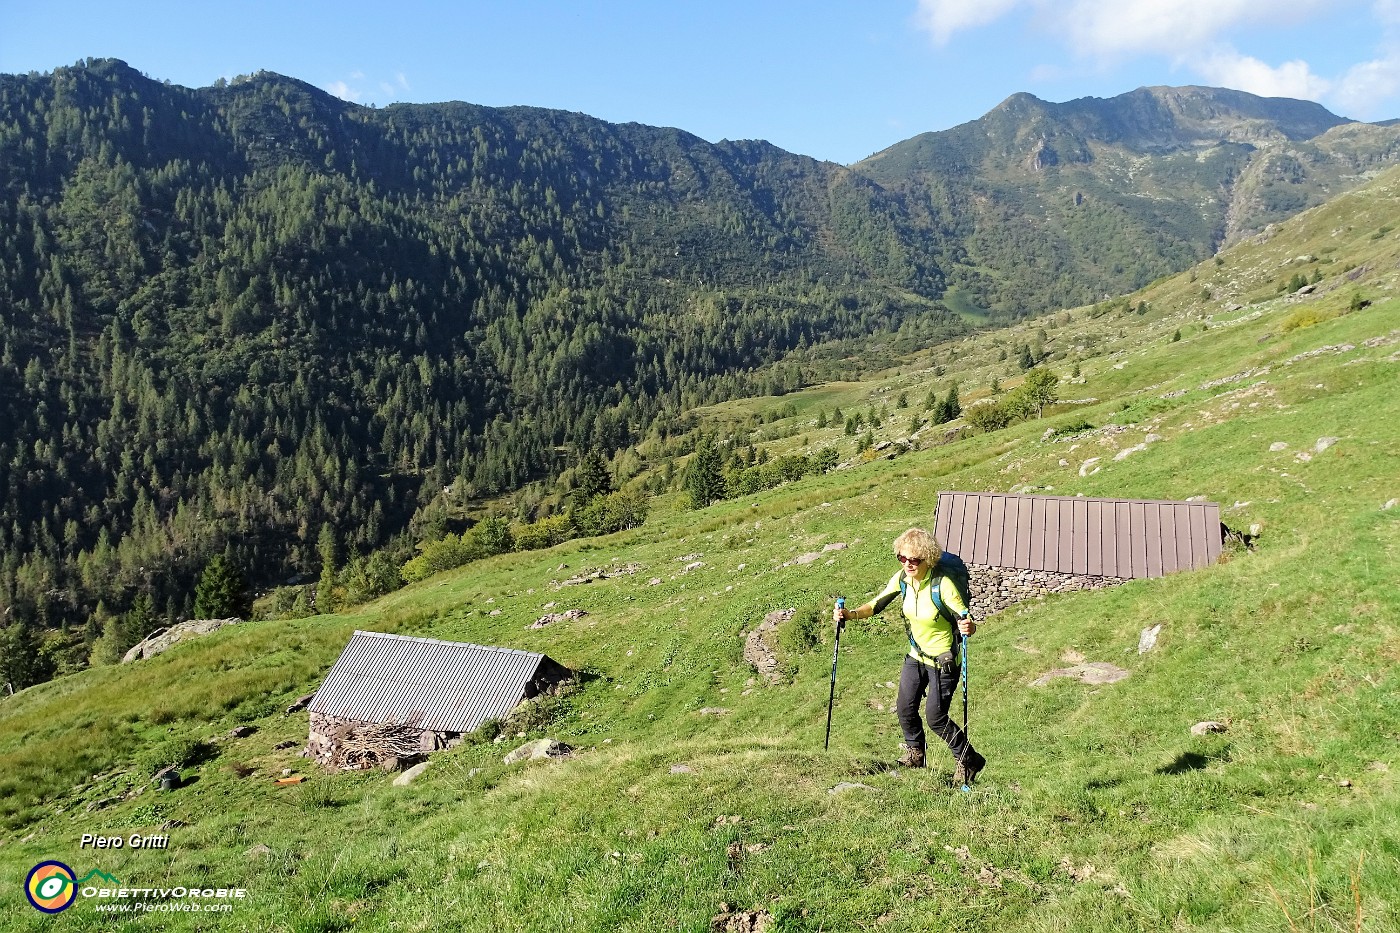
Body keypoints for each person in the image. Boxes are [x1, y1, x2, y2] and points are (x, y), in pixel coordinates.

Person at [835, 528, 986, 785]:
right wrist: (849, 614)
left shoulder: (943, 585)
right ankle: (916, 754)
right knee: (905, 708)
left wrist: (969, 626)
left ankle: (968, 759)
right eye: (902, 558)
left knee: (936, 718)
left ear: (928, 558)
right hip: (916, 655)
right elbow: (876, 604)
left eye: (914, 559)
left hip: (943, 661)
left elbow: (964, 616)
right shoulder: (902, 579)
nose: (907, 564)